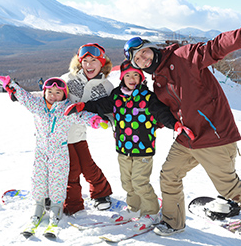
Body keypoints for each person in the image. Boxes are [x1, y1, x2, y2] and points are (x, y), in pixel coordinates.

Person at [123, 8, 241, 243]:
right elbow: (169, 111)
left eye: (144, 52)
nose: (144, 58)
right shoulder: (157, 81)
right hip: (188, 138)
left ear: (151, 48)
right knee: (169, 175)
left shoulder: (183, 56)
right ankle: (173, 221)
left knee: (230, 187)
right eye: (138, 59)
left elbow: (215, 48)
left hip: (214, 135)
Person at [66, 60, 194, 231]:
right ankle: (134, 208)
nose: (131, 78)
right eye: (127, 75)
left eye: (135, 75)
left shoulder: (148, 97)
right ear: (122, 78)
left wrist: (175, 125)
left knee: (140, 182)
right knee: (127, 182)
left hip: (143, 149)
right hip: (123, 148)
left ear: (141, 77)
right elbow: (100, 105)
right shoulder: (116, 96)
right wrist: (83, 106)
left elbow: (162, 114)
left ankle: (151, 212)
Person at [0, 75, 107, 230]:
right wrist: (10, 84)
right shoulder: (37, 105)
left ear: (64, 95)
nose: (53, 96)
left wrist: (95, 120)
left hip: (59, 154)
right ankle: (38, 205)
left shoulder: (66, 109)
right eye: (50, 92)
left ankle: (56, 207)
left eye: (58, 92)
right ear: (44, 92)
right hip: (41, 153)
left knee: (57, 182)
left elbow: (81, 116)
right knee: (38, 179)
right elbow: (24, 97)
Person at [60, 43, 114, 215]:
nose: (89, 65)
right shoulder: (68, 79)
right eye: (85, 61)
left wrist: (113, 125)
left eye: (94, 60)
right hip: (60, 133)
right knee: (72, 169)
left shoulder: (106, 87)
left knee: (88, 167)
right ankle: (72, 202)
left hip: (79, 134)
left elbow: (111, 109)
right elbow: (51, 97)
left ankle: (101, 194)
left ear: (102, 63)